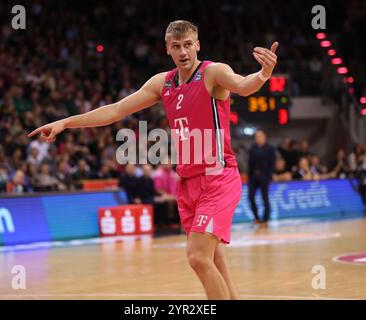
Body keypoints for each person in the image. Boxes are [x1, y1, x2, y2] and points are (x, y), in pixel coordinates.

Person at [28, 20, 279, 300]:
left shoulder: (213, 72)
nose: (183, 52)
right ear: (167, 49)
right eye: (176, 46)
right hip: (187, 182)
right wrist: (65, 122)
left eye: (187, 45)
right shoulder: (163, 82)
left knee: (197, 257)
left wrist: (263, 74)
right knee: (214, 256)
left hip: (218, 178)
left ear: (197, 45)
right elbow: (115, 110)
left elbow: (243, 86)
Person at [247, 130, 276, 225]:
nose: (258, 138)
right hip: (253, 177)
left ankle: (265, 219)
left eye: (260, 136)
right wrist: (249, 176)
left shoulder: (270, 149)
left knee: (265, 198)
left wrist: (268, 176)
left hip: (264, 177)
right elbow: (250, 163)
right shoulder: (253, 148)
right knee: (250, 197)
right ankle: (256, 217)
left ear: (265, 137)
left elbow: (272, 164)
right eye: (257, 136)